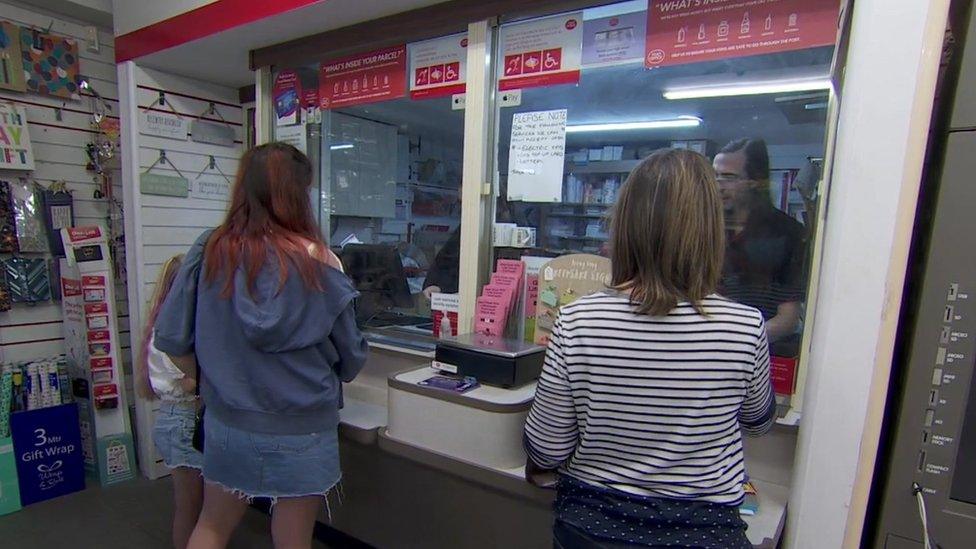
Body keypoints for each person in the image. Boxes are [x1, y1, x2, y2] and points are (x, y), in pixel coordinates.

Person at [524, 148, 776, 548]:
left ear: (625, 226)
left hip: (594, 529)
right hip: (703, 534)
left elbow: (547, 446)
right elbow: (759, 422)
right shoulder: (745, 326)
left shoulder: (577, 321)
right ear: (711, 231)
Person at [154, 143, 369, 549]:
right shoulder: (322, 261)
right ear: (297, 195)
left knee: (212, 526)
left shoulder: (210, 249)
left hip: (229, 420)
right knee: (292, 539)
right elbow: (350, 360)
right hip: (304, 426)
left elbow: (171, 339)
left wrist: (211, 381)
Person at [135, 254, 202, 549]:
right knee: (191, 508)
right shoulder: (176, 334)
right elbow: (189, 381)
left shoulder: (159, 326)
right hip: (184, 421)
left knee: (191, 506)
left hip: (173, 419)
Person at [713, 138, 807, 346]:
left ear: (755, 182)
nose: (719, 186)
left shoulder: (786, 233)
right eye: (716, 176)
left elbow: (787, 319)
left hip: (758, 352)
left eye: (728, 177)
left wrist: (735, 345)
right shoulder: (704, 228)